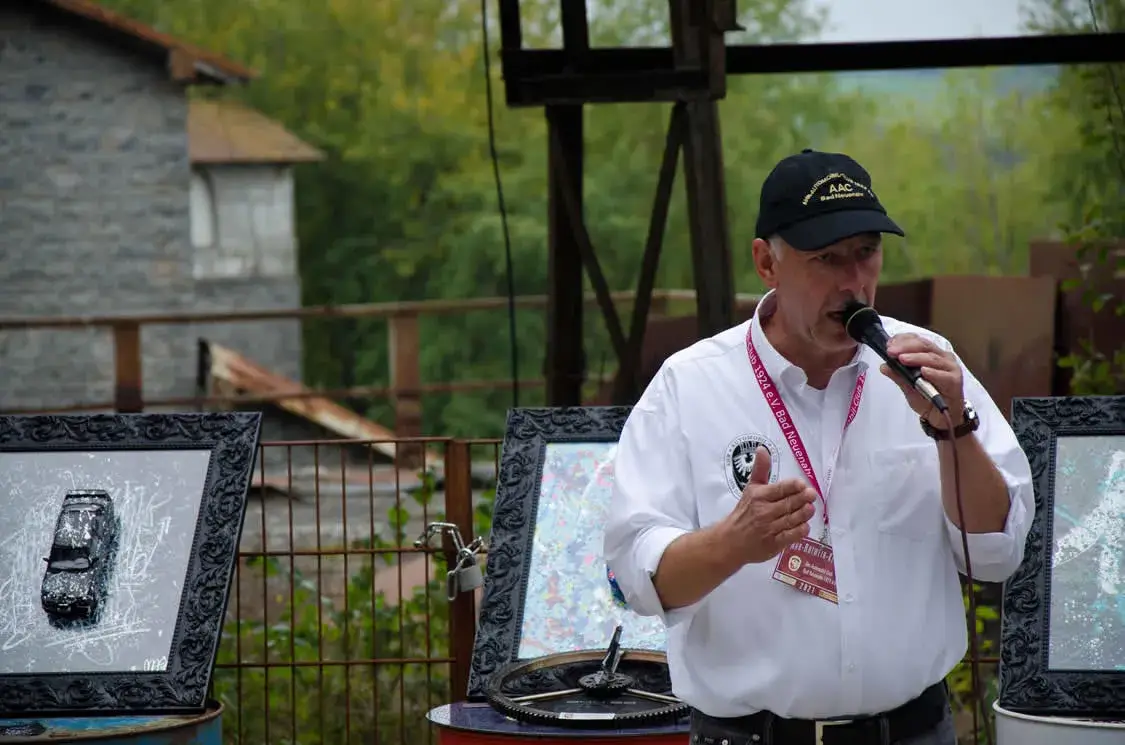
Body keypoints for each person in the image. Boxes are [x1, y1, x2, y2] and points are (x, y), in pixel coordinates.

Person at [602, 148, 1034, 745]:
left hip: (912, 732)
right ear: (766, 262)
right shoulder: (690, 385)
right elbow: (634, 580)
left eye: (866, 252)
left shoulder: (929, 365)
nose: (853, 282)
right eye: (826, 259)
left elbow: (997, 553)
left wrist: (953, 430)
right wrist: (732, 543)